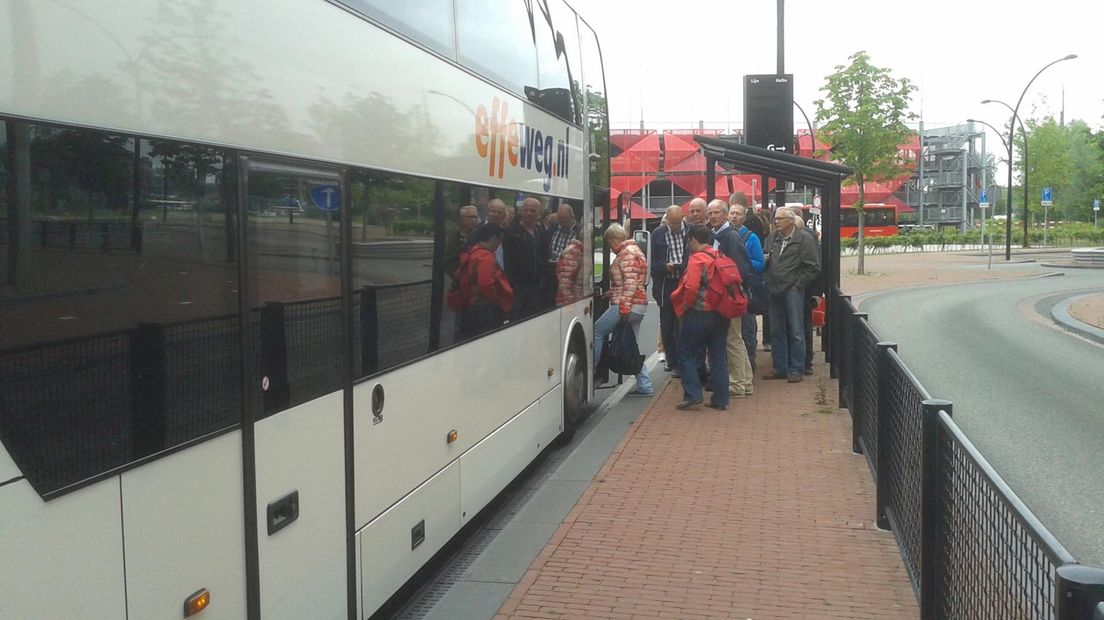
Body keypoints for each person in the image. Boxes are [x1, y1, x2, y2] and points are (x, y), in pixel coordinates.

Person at [670, 225, 729, 411]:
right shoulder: (720, 255)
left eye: (689, 241)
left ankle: (693, 394)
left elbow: (691, 287)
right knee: (718, 355)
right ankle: (721, 398)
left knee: (685, 352)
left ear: (694, 240)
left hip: (700, 311)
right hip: (721, 312)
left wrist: (686, 306)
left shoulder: (697, 259)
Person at [593, 223, 653, 396]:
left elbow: (630, 284)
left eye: (609, 243)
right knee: (632, 346)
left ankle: (593, 370)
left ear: (614, 239)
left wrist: (624, 308)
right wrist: (611, 292)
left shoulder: (626, 254)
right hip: (638, 304)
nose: (610, 248)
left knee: (598, 330)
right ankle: (645, 385)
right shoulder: (635, 251)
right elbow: (631, 281)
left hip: (627, 304)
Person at [763, 207, 820, 382]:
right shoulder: (772, 238)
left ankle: (797, 369)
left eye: (780, 218)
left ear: (790, 220)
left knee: (796, 330)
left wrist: (798, 285)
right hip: (774, 290)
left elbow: (813, 267)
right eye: (775, 219)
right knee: (776, 331)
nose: (776, 221)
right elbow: (765, 260)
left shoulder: (804, 239)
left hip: (793, 291)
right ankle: (780, 367)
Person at [707, 199, 753, 398]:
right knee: (734, 339)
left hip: (729, 296)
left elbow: (740, 268)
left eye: (717, 213)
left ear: (726, 214)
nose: (713, 216)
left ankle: (738, 385)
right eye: (711, 213)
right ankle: (745, 382)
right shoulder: (716, 235)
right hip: (723, 296)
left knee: (732, 339)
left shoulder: (730, 236)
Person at [649, 205, 688, 374]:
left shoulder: (690, 231)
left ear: (683, 218)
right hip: (666, 284)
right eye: (672, 223)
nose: (675, 226)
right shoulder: (658, 234)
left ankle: (683, 361)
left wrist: (684, 266)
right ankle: (672, 361)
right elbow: (652, 262)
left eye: (678, 222)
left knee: (683, 324)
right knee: (667, 325)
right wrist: (665, 266)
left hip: (685, 282)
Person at [728, 197, 766, 374]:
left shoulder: (751, 238)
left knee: (747, 328)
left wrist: (741, 262)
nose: (734, 216)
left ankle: (750, 364)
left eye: (738, 214)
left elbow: (760, 264)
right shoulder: (724, 235)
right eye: (732, 213)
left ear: (744, 217)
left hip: (745, 289)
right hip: (727, 290)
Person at [457, 223, 513, 340]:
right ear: (493, 238)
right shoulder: (486, 257)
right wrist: (495, 300)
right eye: (499, 240)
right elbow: (485, 283)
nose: (499, 244)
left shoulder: (474, 251)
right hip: (483, 308)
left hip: (471, 305)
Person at [503, 197, 548, 320]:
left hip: (536, 286)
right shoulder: (511, 232)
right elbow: (507, 259)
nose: (529, 213)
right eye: (526, 210)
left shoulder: (541, 231)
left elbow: (544, 256)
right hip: (517, 287)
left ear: (538, 213)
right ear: (520, 212)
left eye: (533, 211)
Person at [545, 203, 579, 304]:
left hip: (569, 275)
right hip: (551, 275)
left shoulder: (579, 231)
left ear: (572, 217)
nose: (562, 224)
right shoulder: (553, 229)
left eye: (565, 221)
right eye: (560, 221)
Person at [443, 205, 480, 279]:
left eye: (475, 217)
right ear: (461, 219)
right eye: (469, 217)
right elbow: (449, 261)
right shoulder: (454, 238)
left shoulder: (481, 235)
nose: (473, 219)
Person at [555, 231, 585, 305]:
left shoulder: (582, 251)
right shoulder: (573, 251)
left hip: (576, 300)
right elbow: (565, 280)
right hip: (568, 302)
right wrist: (570, 302)